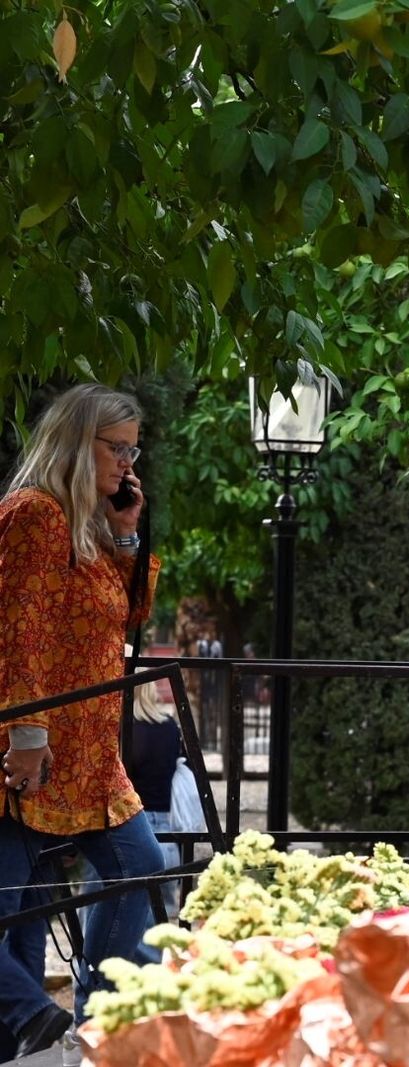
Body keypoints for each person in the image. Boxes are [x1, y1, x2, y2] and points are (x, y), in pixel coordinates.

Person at [1, 384, 166, 1053]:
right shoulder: (32, 514)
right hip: (33, 752)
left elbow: (127, 620)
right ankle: (34, 1019)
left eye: (134, 449)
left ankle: (97, 1014)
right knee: (19, 920)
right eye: (116, 447)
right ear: (77, 441)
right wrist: (29, 738)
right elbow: (20, 633)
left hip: (93, 756)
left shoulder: (92, 527)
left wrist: (127, 534)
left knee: (141, 865)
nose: (127, 463)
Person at [122, 661, 184, 917]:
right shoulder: (170, 727)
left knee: (113, 914)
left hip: (129, 828)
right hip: (167, 832)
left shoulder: (123, 729)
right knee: (161, 920)